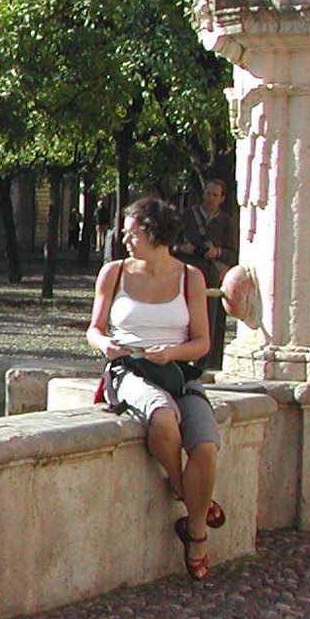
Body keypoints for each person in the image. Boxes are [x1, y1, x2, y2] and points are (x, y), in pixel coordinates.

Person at [87, 197, 221, 581]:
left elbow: (202, 343)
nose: (125, 240)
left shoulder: (190, 277)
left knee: (205, 448)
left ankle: (195, 532)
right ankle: (193, 498)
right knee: (163, 419)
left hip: (177, 371)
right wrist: (105, 344)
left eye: (132, 233)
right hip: (129, 369)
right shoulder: (113, 273)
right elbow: (93, 330)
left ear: (153, 232)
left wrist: (172, 353)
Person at [176, 178, 236, 370]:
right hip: (185, 276)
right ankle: (180, 360)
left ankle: (203, 365)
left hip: (210, 279)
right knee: (182, 321)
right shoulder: (186, 216)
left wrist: (216, 252)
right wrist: (182, 248)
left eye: (215, 195)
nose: (210, 198)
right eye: (207, 193)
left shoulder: (226, 222)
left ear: (222, 198)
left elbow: (233, 252)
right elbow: (168, 245)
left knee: (208, 322)